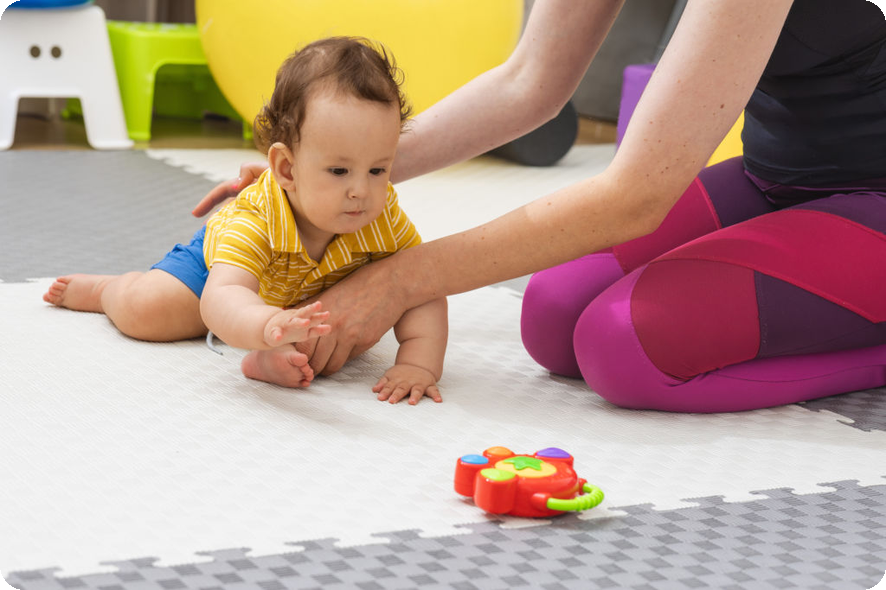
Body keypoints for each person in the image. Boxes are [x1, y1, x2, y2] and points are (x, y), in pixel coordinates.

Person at [193, 0, 886, 412]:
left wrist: (398, 279)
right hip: (776, 178)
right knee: (553, 315)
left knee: (626, 349)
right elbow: (528, 81)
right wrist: (328, 173)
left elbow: (638, 194)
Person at [44, 37, 448, 405]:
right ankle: (107, 290)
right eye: (339, 171)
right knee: (147, 312)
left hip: (302, 297)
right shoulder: (257, 218)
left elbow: (422, 287)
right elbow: (223, 298)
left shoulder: (382, 215)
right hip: (223, 272)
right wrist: (268, 324)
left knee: (323, 338)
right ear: (286, 169)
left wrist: (418, 363)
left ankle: (265, 359)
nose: (362, 191)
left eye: (378, 170)